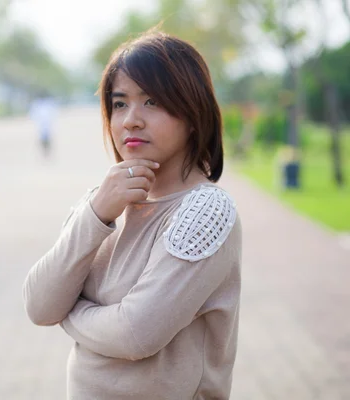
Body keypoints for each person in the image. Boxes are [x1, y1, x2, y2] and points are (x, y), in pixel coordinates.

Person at [23, 29, 242, 400]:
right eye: (120, 103)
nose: (131, 121)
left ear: (192, 112)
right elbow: (39, 305)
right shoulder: (104, 201)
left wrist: (70, 312)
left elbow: (136, 334)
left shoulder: (206, 211)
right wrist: (95, 214)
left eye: (152, 102)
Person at [29, 93, 58, 158]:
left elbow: (54, 113)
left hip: (47, 123)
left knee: (47, 137)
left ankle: (47, 151)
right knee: (42, 138)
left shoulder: (49, 103)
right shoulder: (37, 104)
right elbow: (33, 114)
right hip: (41, 123)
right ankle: (44, 151)